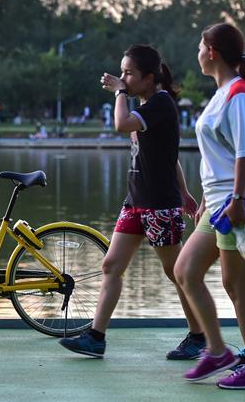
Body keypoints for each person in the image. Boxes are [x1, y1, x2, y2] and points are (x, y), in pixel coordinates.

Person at [58, 44, 199, 359]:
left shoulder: (160, 103)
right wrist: (186, 191)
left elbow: (120, 125)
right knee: (111, 266)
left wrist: (119, 92)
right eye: (122, 72)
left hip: (159, 205)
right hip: (135, 202)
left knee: (177, 272)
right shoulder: (147, 106)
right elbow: (168, 156)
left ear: (148, 78)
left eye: (129, 73)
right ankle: (96, 337)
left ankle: (199, 335)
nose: (123, 78)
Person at [173, 22, 245, 389]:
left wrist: (237, 200)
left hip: (241, 204)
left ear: (212, 52)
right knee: (185, 271)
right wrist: (205, 199)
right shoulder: (220, 94)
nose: (198, 53)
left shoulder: (241, 96)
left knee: (237, 287)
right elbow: (219, 155)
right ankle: (217, 350)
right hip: (218, 203)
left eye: (200, 47)